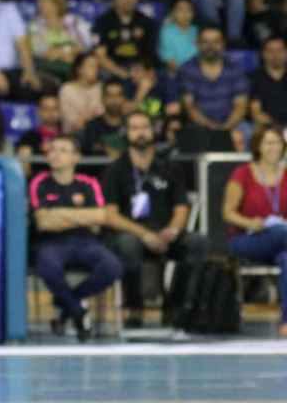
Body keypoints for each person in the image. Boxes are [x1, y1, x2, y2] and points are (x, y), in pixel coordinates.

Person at [102, 111, 209, 329]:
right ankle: (134, 308)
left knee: (198, 242)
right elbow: (110, 215)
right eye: (134, 128)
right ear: (126, 133)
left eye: (144, 127)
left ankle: (174, 306)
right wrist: (144, 235)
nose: (140, 133)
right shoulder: (115, 169)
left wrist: (173, 230)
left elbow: (181, 207)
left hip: (165, 232)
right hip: (132, 234)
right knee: (127, 245)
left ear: (153, 131)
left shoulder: (170, 167)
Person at [29, 135, 123, 342]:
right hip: (52, 242)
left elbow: (100, 218)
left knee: (112, 267)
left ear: (75, 157)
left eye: (63, 150)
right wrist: (81, 216)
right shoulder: (39, 182)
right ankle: (78, 313)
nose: (56, 154)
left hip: (85, 241)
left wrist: (59, 214)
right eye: (52, 149)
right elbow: (44, 222)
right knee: (48, 267)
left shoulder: (88, 183)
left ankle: (65, 308)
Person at [221, 125, 287, 337]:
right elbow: (228, 213)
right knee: (279, 234)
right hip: (248, 238)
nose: (272, 147)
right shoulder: (242, 174)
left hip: (281, 238)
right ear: (258, 146)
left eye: (276, 142)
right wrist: (250, 223)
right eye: (267, 142)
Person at [176, 26, 248, 150]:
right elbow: (189, 106)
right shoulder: (187, 69)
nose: (210, 46)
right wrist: (211, 127)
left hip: (233, 123)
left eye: (215, 42)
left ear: (223, 44)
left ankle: (243, 170)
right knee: (193, 133)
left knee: (247, 131)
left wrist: (226, 127)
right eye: (205, 42)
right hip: (199, 124)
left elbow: (241, 105)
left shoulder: (235, 68)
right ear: (197, 44)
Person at [93, 0, 158, 81]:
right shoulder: (103, 22)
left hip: (139, 69)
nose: (129, 0)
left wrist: (141, 71)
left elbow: (150, 54)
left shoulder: (147, 23)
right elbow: (100, 56)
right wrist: (122, 73)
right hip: (112, 69)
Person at [27, 0, 92, 82]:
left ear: (56, 4)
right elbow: (42, 51)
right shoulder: (35, 26)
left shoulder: (74, 22)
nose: (39, 4)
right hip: (48, 65)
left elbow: (85, 45)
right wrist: (67, 52)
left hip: (72, 60)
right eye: (39, 0)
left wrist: (66, 53)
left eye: (44, 0)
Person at [80, 80, 128, 159]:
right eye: (110, 95)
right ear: (103, 99)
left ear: (124, 98)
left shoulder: (132, 124)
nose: (114, 100)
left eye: (118, 95)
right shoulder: (92, 126)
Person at [58, 53, 103, 134]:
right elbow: (70, 120)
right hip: (74, 134)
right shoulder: (67, 90)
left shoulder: (100, 88)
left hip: (98, 132)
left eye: (97, 67)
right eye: (91, 66)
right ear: (79, 69)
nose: (96, 70)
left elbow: (103, 114)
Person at [251, 36, 287, 127]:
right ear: (263, 54)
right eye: (270, 51)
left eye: (280, 51)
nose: (276, 55)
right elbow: (256, 112)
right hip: (267, 127)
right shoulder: (254, 78)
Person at [159, 0, 199, 73]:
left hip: (199, 74)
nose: (185, 13)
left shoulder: (197, 31)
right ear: (173, 13)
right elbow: (170, 62)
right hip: (178, 74)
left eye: (189, 10)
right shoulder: (166, 32)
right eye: (180, 10)